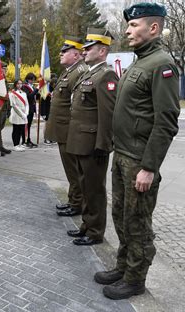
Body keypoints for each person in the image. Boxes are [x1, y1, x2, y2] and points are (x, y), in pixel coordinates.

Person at [94, 2, 180, 300]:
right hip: (123, 156)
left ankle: (135, 279)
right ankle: (123, 267)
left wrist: (149, 167)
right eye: (128, 25)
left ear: (153, 28)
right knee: (120, 215)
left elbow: (166, 121)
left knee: (138, 222)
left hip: (139, 161)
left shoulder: (161, 64)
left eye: (133, 25)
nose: (127, 30)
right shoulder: (140, 61)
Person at [65, 29, 118, 246]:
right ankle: (86, 225)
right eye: (84, 47)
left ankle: (95, 232)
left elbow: (108, 114)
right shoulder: (89, 73)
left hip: (93, 145)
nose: (84, 51)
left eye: (89, 48)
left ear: (102, 50)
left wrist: (103, 145)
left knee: (94, 190)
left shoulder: (106, 75)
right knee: (85, 187)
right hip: (80, 142)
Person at [44, 37, 88, 217]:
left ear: (76, 54)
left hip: (69, 131)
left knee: (74, 171)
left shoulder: (79, 72)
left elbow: (77, 106)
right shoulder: (69, 72)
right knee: (71, 170)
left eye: (65, 51)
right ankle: (73, 199)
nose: (60, 54)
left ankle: (77, 204)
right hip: (63, 130)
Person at [9, 79, 29, 152]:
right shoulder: (12, 93)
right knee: (16, 130)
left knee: (21, 130)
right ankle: (15, 145)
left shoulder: (24, 93)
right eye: (18, 84)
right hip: (16, 113)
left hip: (23, 113)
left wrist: (26, 113)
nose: (19, 85)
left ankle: (19, 144)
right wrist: (22, 114)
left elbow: (27, 104)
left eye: (21, 84)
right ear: (15, 84)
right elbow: (14, 105)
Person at [21, 73, 38, 147]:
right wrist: (36, 90)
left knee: (29, 125)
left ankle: (28, 139)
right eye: (31, 79)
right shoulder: (25, 87)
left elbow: (35, 97)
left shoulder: (32, 86)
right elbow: (29, 96)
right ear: (27, 79)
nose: (32, 81)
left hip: (32, 108)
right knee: (25, 125)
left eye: (33, 79)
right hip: (27, 108)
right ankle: (24, 141)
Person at [42, 73, 57, 145]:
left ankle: (51, 138)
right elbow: (43, 101)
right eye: (54, 83)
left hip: (53, 109)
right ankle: (46, 139)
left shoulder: (55, 89)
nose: (55, 85)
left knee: (52, 125)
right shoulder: (47, 89)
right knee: (47, 125)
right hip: (47, 109)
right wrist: (43, 113)